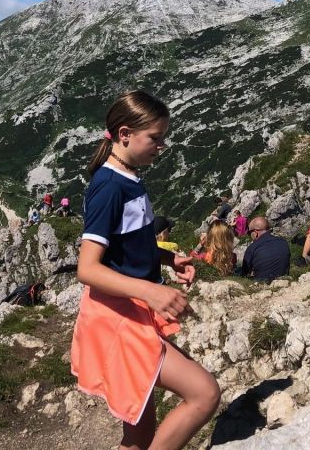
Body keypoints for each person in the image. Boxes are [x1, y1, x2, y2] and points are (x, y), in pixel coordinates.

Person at [71, 90, 220, 450]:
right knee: (204, 394)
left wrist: (168, 260)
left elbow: (129, 241)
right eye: (155, 138)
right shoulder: (108, 188)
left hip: (131, 312)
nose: (162, 146)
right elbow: (87, 268)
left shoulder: (129, 177)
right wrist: (152, 290)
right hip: (119, 318)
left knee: (139, 429)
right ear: (125, 135)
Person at [239, 216, 290, 282]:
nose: (249, 235)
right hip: (283, 281)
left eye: (249, 233)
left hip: (261, 283)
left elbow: (244, 273)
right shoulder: (283, 242)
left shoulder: (252, 247)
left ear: (255, 232)